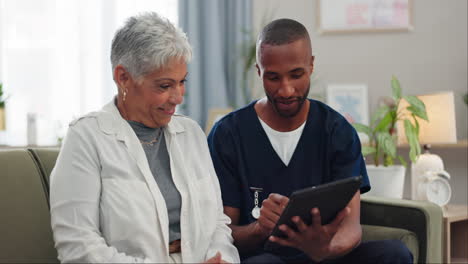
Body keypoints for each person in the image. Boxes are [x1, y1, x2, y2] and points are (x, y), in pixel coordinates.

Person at [207, 18, 413, 264]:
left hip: (327, 256)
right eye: (273, 77)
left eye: (296, 75)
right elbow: (222, 234)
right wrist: (259, 228)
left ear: (311, 65)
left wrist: (326, 249)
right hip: (265, 257)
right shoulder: (228, 135)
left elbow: (351, 228)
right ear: (259, 71)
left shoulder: (336, 131)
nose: (286, 90)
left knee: (394, 254)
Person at [50, 12, 239, 263]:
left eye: (182, 82)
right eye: (164, 86)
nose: (178, 97)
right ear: (123, 77)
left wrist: (222, 258)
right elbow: (78, 247)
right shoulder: (86, 138)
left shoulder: (191, 133)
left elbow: (217, 221)